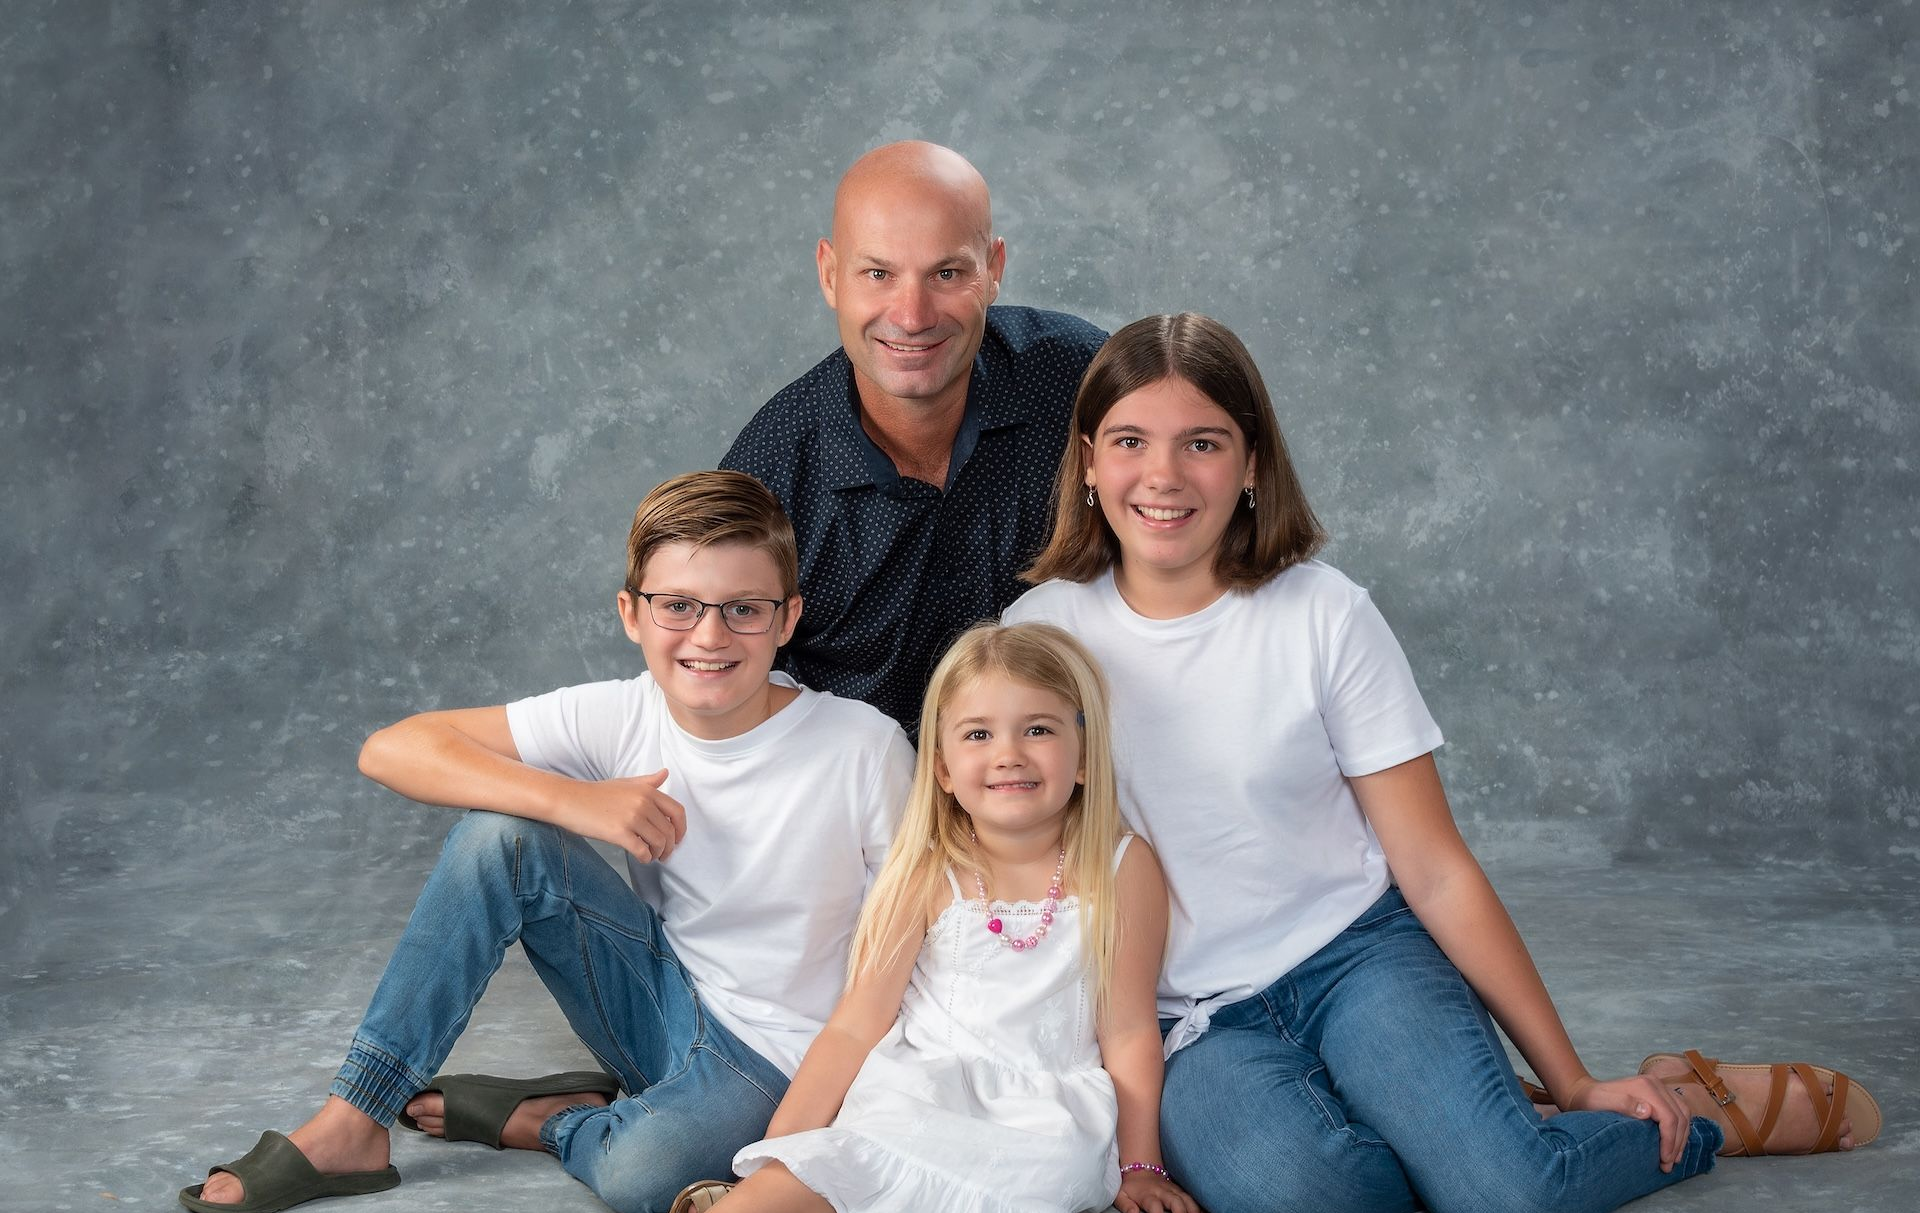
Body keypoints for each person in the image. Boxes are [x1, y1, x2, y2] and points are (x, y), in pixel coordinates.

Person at [1004, 313, 1880, 1213]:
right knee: (1320, 1196)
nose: (1164, 475)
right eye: (1130, 441)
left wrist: (1573, 1078)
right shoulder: (1042, 635)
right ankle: (1460, 1128)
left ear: (1254, 460)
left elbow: (1434, 866)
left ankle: (1684, 1113)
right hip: (1184, 1021)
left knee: (1511, 1190)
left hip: (1355, 960)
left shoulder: (1322, 615)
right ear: (1088, 458)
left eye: (1203, 443)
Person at [178, 471, 914, 1213]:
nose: (710, 636)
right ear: (632, 613)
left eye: (744, 609)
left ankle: (556, 1120)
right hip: (655, 1003)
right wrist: (577, 800)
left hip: (779, 1060)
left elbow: (916, 950)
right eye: (679, 606)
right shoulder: (626, 714)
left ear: (787, 618)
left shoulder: (862, 748)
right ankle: (354, 1120)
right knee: (499, 838)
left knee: (641, 1174)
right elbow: (392, 748)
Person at [667, 623, 1198, 1213]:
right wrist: (775, 1158)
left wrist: (1141, 1167)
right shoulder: (928, 871)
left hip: (1040, 1135)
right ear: (942, 769)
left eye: (1039, 730)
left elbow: (1127, 1033)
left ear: (1083, 759)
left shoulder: (1121, 867)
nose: (1008, 754)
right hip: (909, 1106)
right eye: (978, 734)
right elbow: (855, 1024)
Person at [721, 141, 1107, 733]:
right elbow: (708, 687)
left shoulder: (1078, 381)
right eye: (878, 274)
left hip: (1073, 790)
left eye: (946, 273)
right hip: (864, 811)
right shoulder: (766, 480)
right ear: (829, 274)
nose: (911, 315)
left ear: (994, 270)